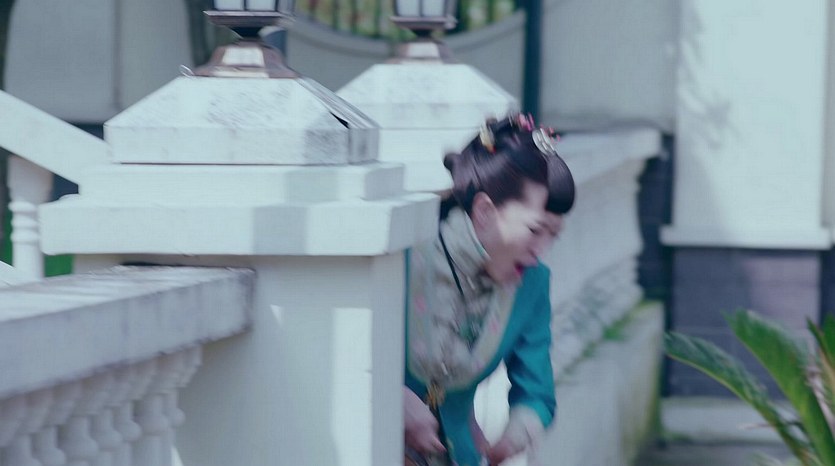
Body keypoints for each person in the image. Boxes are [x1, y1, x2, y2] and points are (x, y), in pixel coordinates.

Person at [404, 113, 575, 466]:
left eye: (553, 236)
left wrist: (516, 433)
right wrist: (394, 402)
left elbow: (537, 393)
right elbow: (340, 359)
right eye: (535, 230)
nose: (540, 251)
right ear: (484, 211)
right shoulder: (402, 258)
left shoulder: (532, 283)